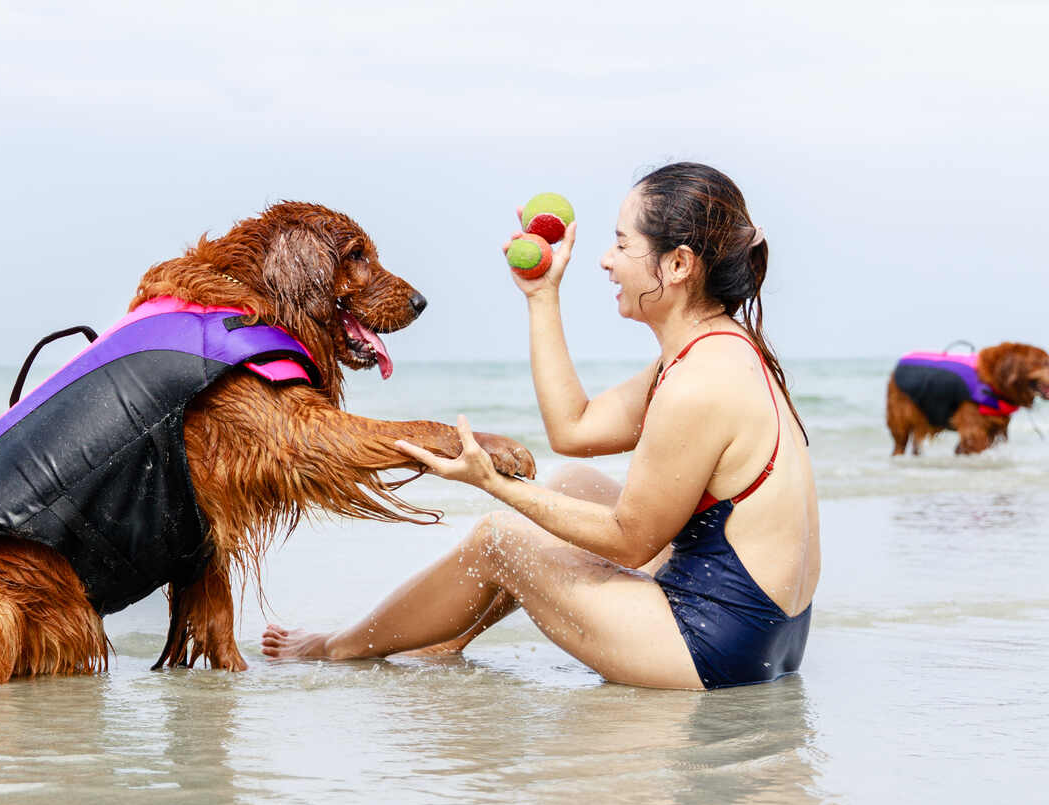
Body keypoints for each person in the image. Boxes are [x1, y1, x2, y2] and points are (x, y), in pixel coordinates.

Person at [261, 162, 819, 690]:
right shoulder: (716, 350)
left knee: (499, 538)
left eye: (623, 244)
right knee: (573, 481)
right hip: (769, 633)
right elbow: (573, 430)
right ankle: (439, 637)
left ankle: (338, 647)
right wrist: (542, 295)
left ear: (677, 265)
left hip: (715, 650)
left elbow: (630, 542)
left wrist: (493, 483)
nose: (605, 260)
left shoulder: (697, 385)